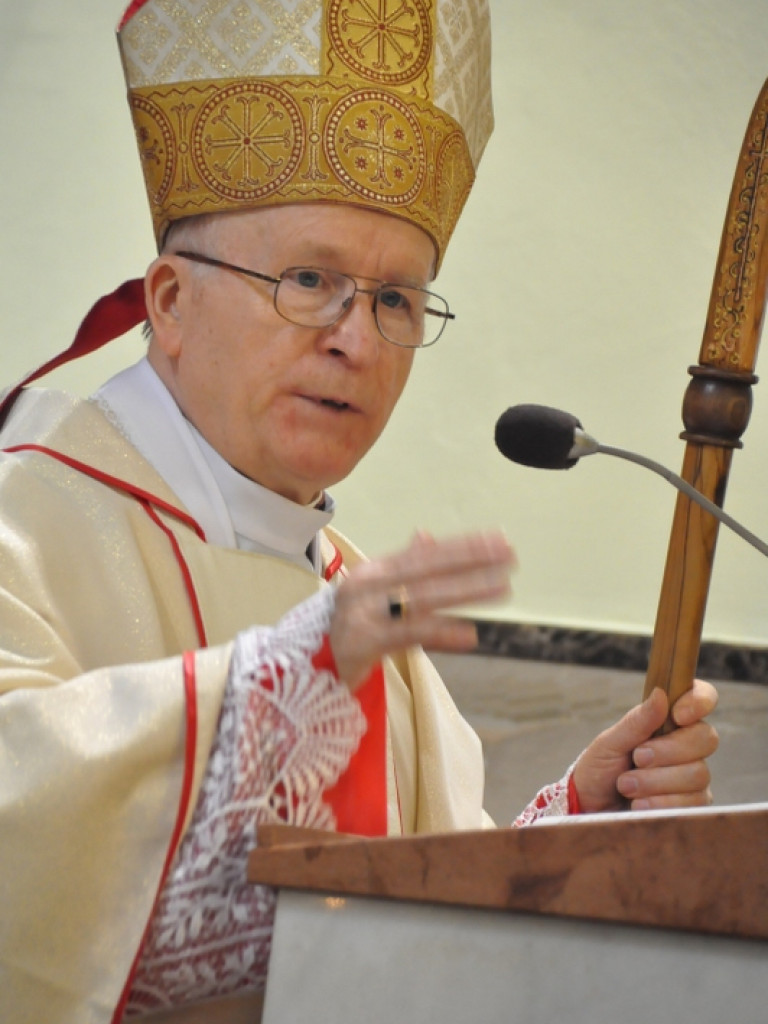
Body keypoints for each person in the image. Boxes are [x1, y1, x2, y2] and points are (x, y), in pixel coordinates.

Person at [0, 1, 718, 1022]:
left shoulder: (349, 595)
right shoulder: (26, 517)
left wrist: (573, 827)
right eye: (310, 279)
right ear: (168, 303)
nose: (360, 341)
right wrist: (287, 680)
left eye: (396, 300)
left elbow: (418, 927)